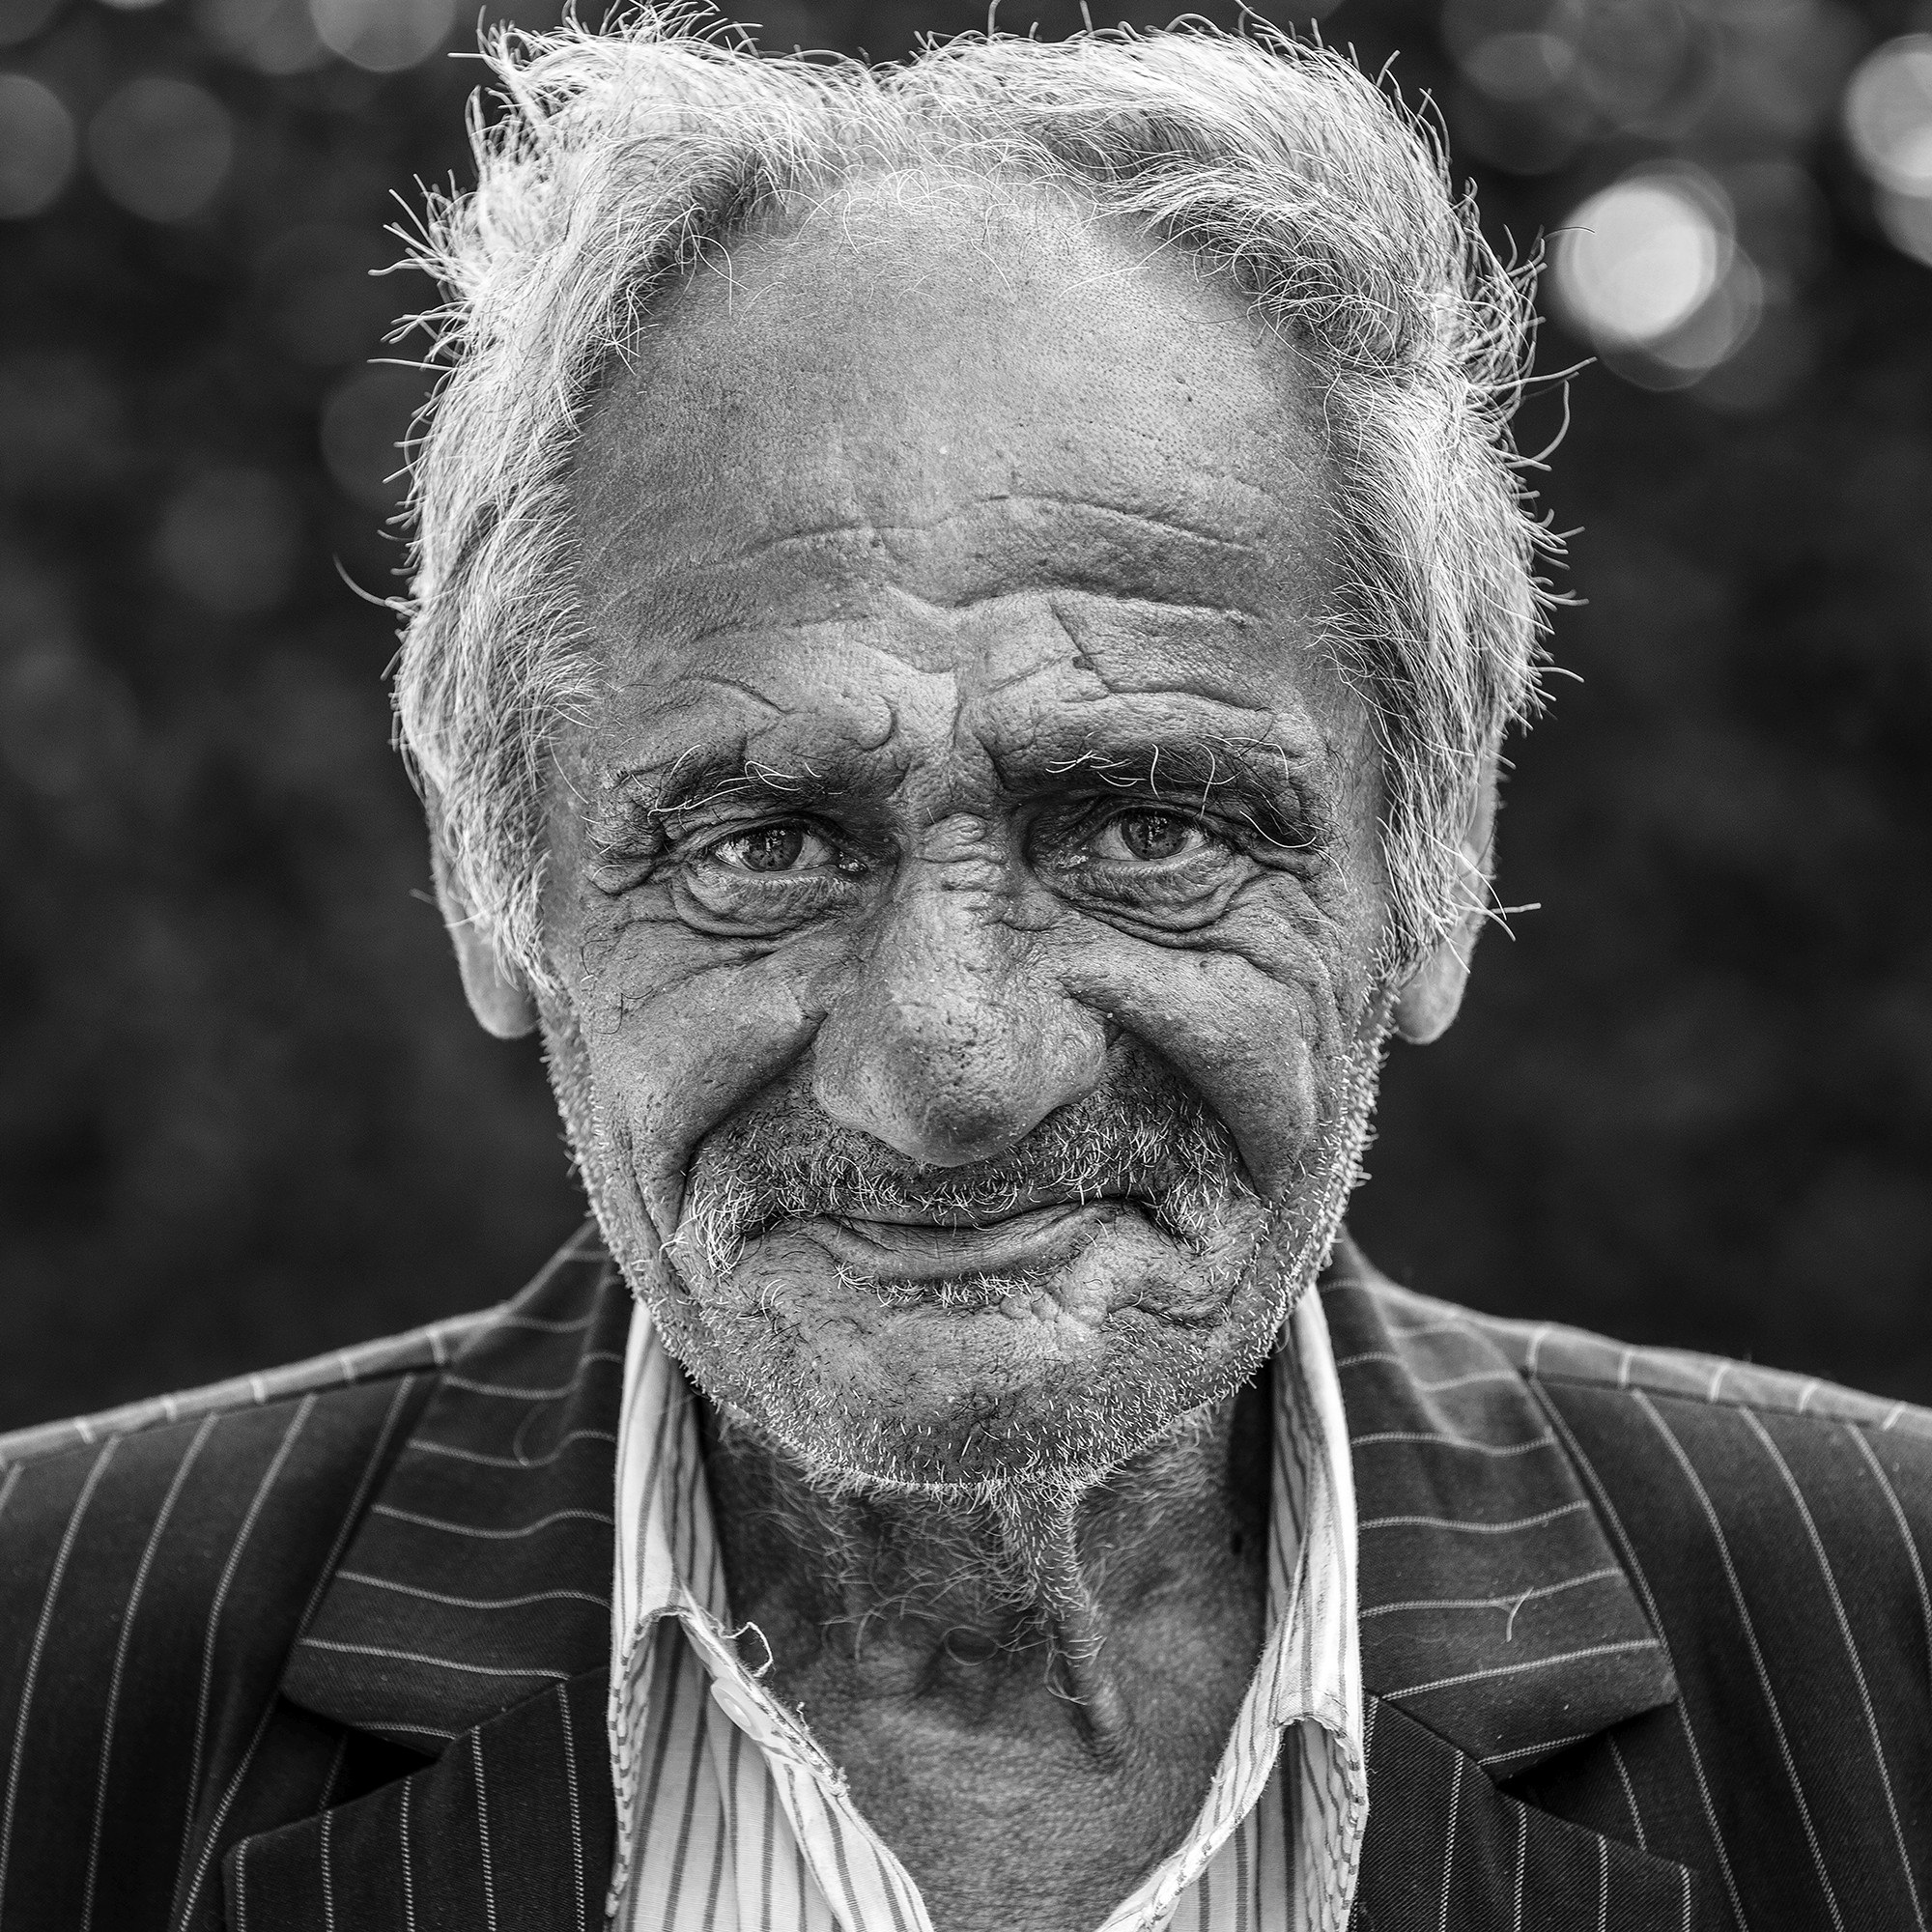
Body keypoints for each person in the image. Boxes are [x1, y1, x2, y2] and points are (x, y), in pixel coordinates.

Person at [3, 16, 1928, 1931]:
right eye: (761, 844)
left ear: (1432, 872)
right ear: (490, 892)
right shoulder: (42, 1677)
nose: (952, 1058)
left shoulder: (1886, 1644)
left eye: (1144, 827)